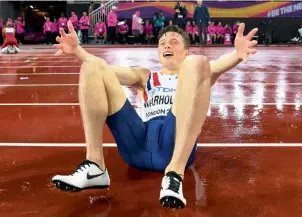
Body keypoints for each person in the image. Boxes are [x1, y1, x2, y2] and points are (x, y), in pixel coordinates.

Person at [52, 20, 258, 209]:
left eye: (174, 42)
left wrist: (237, 55)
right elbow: (103, 70)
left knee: (198, 63)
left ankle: (174, 175)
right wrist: (77, 51)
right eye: (162, 43)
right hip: (138, 143)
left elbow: (213, 67)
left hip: (174, 146)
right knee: (92, 65)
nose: (167, 45)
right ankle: (95, 165)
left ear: (185, 51)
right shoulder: (145, 76)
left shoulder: (196, 71)